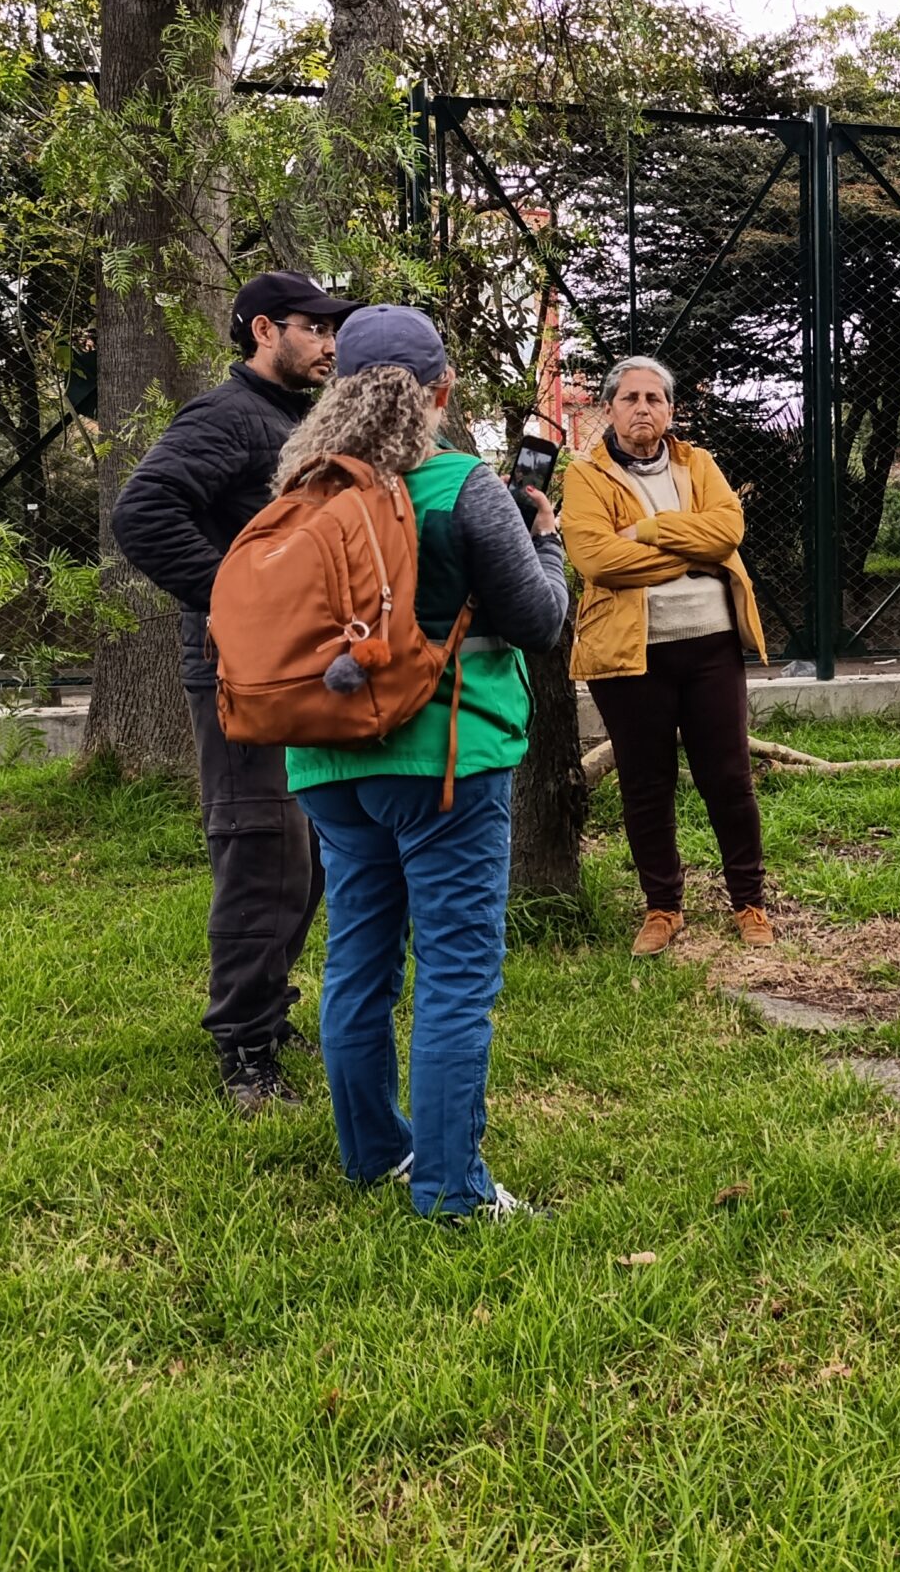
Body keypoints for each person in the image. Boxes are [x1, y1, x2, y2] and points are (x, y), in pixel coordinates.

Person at [279, 305, 570, 1222]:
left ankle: (374, 1154)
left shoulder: (300, 490)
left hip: (327, 763)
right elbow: (540, 621)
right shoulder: (461, 485)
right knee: (455, 974)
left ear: (337, 391)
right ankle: (451, 1189)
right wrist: (548, 539)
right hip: (446, 760)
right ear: (440, 391)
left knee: (358, 961)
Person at [111, 268, 358, 1114]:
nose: (329, 341)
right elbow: (142, 515)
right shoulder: (228, 416)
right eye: (312, 325)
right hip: (238, 669)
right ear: (262, 330)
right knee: (262, 848)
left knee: (315, 849)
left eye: (334, 328)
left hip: (302, 665)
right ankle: (245, 1052)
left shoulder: (300, 420)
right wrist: (235, 600)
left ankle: (268, 1010)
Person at [559, 355, 771, 958]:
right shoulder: (585, 476)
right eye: (630, 399)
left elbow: (726, 533)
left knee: (728, 778)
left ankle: (748, 900)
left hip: (711, 646)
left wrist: (648, 533)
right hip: (632, 655)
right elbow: (598, 561)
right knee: (645, 783)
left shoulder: (697, 463)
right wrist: (688, 550)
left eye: (655, 399)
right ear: (610, 408)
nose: (643, 409)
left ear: (671, 410)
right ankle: (663, 908)